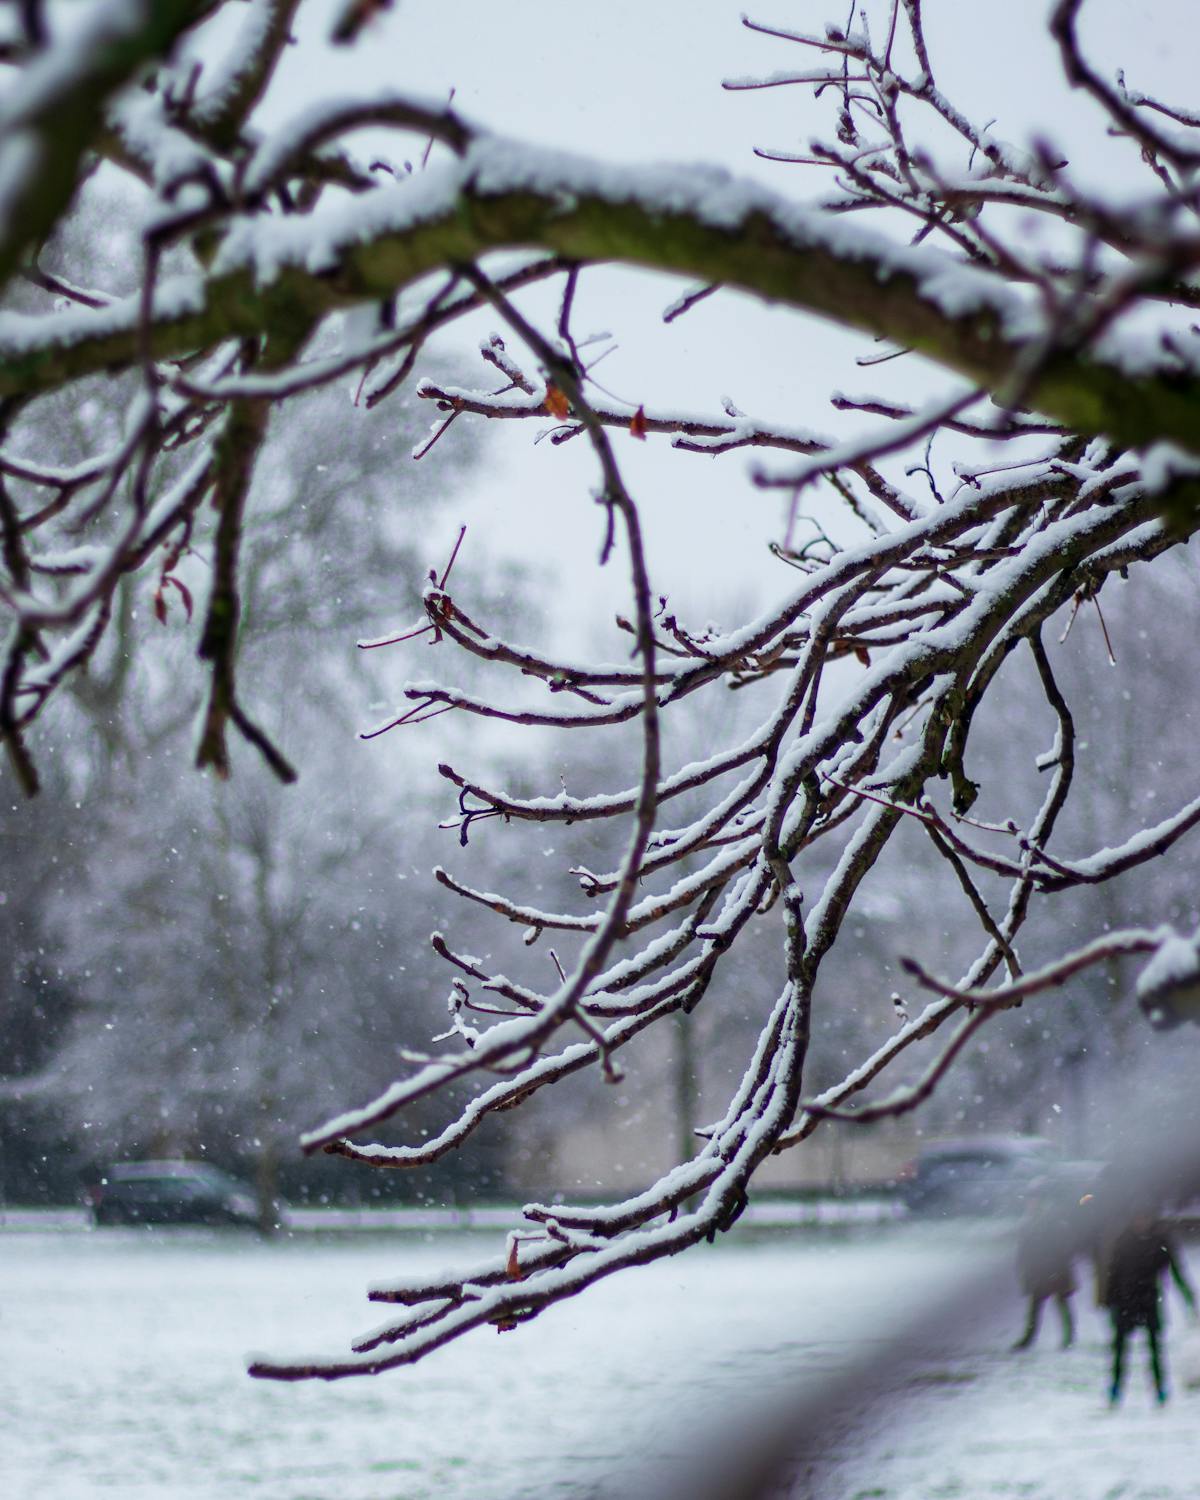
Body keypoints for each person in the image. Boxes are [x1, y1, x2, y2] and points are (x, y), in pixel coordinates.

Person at [1103, 1209, 1197, 1405]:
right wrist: (1109, 1300)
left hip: (1149, 1300)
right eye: (1138, 1217)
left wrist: (1188, 1296)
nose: (1141, 1221)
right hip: (1125, 1302)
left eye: (1145, 1217)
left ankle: (1160, 1392)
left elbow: (1176, 1270)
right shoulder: (1124, 1241)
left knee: (1155, 1350)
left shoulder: (1159, 1240)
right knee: (1120, 1351)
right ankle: (1115, 1392)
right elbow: (1113, 1273)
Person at [1011, 1181, 1077, 1351]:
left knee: (1060, 1303)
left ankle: (1068, 1337)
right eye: (1030, 1200)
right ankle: (1032, 1337)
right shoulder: (1030, 1222)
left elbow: (1062, 1246)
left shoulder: (1053, 1221)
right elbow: (1024, 1248)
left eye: (1035, 1200)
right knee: (1037, 1305)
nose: (1032, 1204)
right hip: (1039, 1269)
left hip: (1054, 1268)